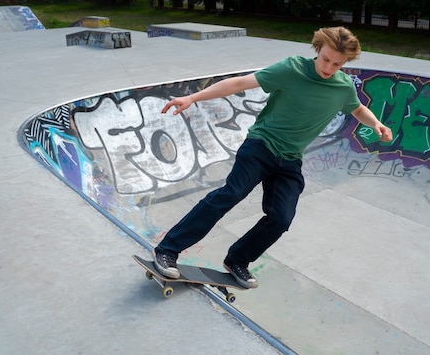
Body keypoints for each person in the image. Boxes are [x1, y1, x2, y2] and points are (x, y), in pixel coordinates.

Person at [153, 26, 393, 288]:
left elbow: (357, 109)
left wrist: (376, 124)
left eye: (337, 63)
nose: (329, 67)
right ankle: (168, 249)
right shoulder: (292, 69)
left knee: (281, 218)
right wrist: (193, 97)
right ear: (317, 49)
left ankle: (237, 260)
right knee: (231, 194)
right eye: (325, 59)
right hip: (260, 146)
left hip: (289, 160)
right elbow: (241, 83)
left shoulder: (343, 87)